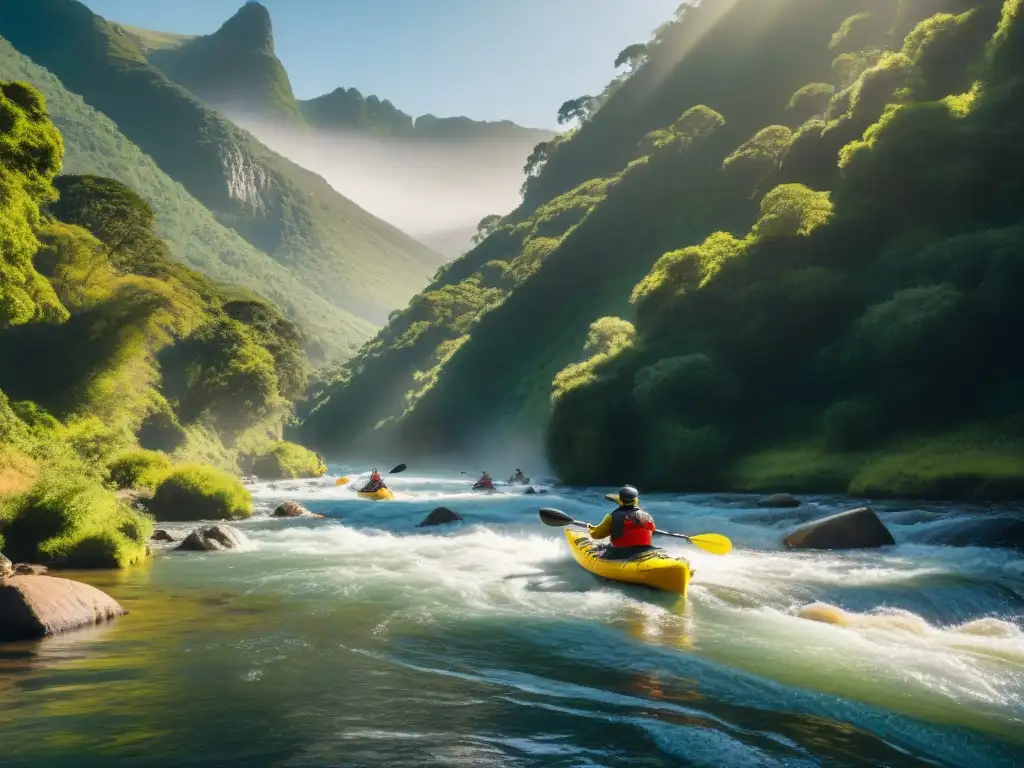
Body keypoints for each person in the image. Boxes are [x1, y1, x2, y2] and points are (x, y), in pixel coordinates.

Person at [587, 485, 657, 560]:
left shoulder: (612, 517)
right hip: (646, 550)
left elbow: (597, 535)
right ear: (636, 500)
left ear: (620, 501)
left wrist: (590, 528)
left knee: (601, 547)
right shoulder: (647, 516)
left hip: (621, 553)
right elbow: (653, 530)